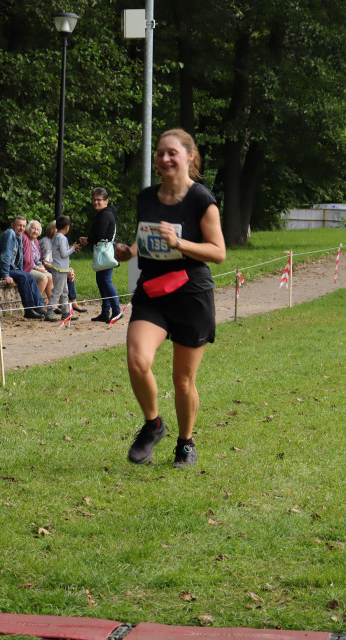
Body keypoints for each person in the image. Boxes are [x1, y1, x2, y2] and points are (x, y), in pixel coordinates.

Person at [113, 129, 226, 468]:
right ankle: (153, 425)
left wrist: (180, 244)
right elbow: (144, 239)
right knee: (137, 360)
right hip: (153, 292)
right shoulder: (146, 197)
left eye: (171, 153)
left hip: (191, 294)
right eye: (160, 153)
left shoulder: (201, 200)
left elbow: (218, 252)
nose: (164, 159)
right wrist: (128, 251)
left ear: (189, 156)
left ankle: (186, 444)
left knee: (183, 380)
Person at [0, 216, 56, 321]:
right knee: (23, 277)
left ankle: (39, 307)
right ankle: (29, 310)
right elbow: (5, 256)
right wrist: (6, 275)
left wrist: (20, 271)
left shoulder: (19, 236)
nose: (21, 228)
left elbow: (19, 258)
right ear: (12, 225)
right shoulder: (10, 234)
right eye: (19, 225)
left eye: (23, 226)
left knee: (29, 276)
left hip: (8, 268)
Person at [81, 187, 122, 323]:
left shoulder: (105, 215)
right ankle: (105, 312)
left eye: (99, 200)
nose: (96, 202)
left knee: (106, 281)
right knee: (102, 281)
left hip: (105, 253)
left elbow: (98, 235)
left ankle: (116, 310)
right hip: (104, 252)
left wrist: (88, 240)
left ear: (106, 201)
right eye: (94, 200)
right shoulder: (105, 214)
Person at [46, 216, 80, 316]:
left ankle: (66, 311)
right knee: (57, 291)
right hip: (60, 268)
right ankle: (50, 311)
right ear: (67, 227)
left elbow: (61, 251)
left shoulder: (56, 237)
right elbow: (64, 254)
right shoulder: (62, 238)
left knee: (65, 291)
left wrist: (70, 248)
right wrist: (73, 249)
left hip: (60, 268)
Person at [21, 220, 52, 304]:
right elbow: (27, 260)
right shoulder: (25, 239)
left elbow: (38, 259)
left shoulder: (36, 241)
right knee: (43, 278)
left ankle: (53, 305)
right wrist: (39, 268)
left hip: (35, 267)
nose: (35, 231)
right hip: (26, 267)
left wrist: (41, 266)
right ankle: (36, 304)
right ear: (28, 229)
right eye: (33, 228)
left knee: (50, 277)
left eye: (38, 230)